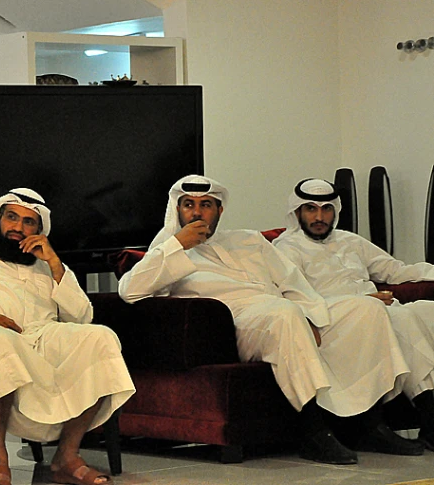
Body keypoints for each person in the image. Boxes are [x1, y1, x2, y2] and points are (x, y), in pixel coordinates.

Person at [118, 174, 421, 465]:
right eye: (189, 205)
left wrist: (312, 316)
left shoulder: (247, 240)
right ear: (177, 209)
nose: (197, 212)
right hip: (239, 323)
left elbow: (293, 283)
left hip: (284, 310)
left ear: (219, 210)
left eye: (206, 204)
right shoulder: (166, 250)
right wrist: (177, 245)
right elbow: (130, 290)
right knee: (284, 314)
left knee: (365, 310)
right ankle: (312, 431)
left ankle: (371, 425)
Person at [0, 188, 135, 485]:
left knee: (100, 338)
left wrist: (53, 262)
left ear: (38, 230)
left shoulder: (43, 263)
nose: (18, 228)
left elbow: (81, 316)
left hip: (39, 334)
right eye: (12, 218)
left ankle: (66, 456)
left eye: (28, 223)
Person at [274, 177, 434, 449]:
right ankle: (410, 418)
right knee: (389, 315)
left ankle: (429, 418)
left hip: (374, 310)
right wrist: (364, 300)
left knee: (422, 311)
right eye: (311, 209)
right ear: (298, 212)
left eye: (326, 209)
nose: (319, 217)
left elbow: (395, 270)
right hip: (331, 319)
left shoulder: (350, 241)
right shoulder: (286, 247)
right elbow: (297, 296)